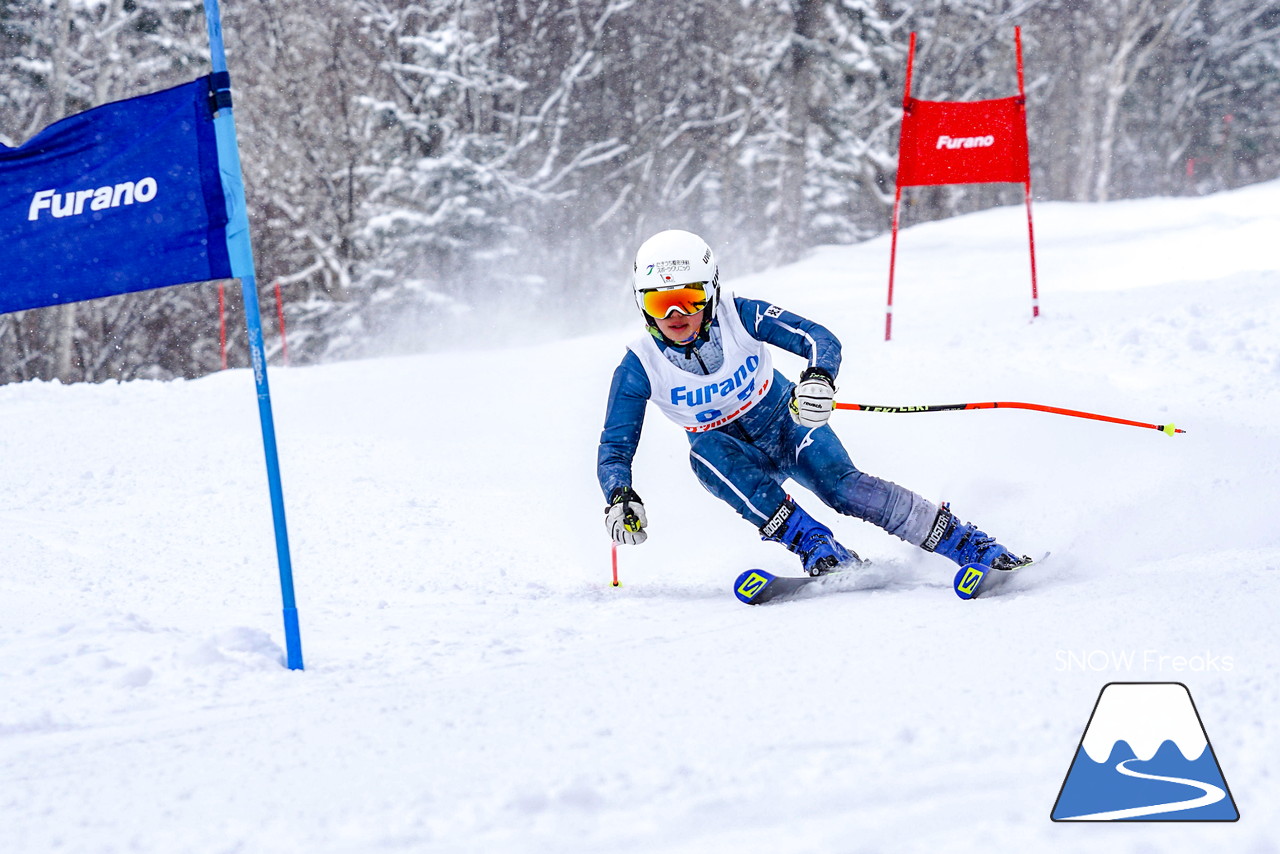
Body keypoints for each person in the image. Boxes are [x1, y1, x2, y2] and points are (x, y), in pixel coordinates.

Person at [597, 228, 1031, 578]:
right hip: (734, 456)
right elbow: (616, 447)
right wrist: (620, 496)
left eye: (688, 299)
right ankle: (816, 546)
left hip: (788, 420)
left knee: (842, 488)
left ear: (710, 292)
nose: (675, 316)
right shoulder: (640, 365)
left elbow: (818, 338)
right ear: (642, 304)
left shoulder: (739, 314)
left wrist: (818, 380)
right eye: (659, 302)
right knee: (704, 453)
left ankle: (965, 542)